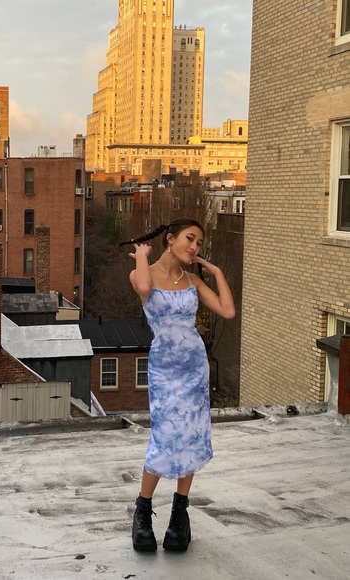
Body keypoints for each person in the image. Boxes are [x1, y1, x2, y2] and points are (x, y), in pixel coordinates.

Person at [121, 218, 235, 553]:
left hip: (195, 368)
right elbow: (143, 288)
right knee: (164, 437)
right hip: (164, 370)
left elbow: (227, 311)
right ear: (170, 239)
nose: (194, 247)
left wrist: (217, 273)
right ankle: (142, 512)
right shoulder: (143, 273)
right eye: (190, 239)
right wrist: (143, 256)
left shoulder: (192, 280)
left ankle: (178, 516)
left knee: (192, 437)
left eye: (199, 243)